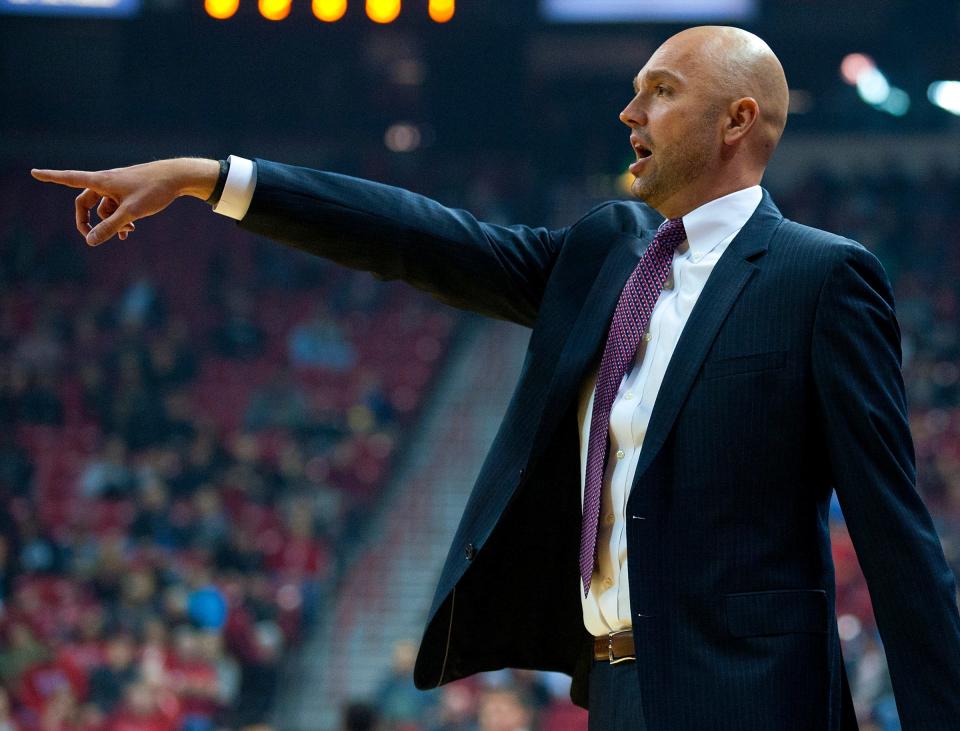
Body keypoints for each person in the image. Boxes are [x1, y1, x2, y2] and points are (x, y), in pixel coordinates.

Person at [31, 24, 960, 731]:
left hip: (759, 699)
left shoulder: (822, 276)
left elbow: (893, 529)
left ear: (738, 120)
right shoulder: (609, 254)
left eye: (660, 92)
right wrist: (214, 177)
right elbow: (419, 236)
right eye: (634, 94)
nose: (629, 114)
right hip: (616, 686)